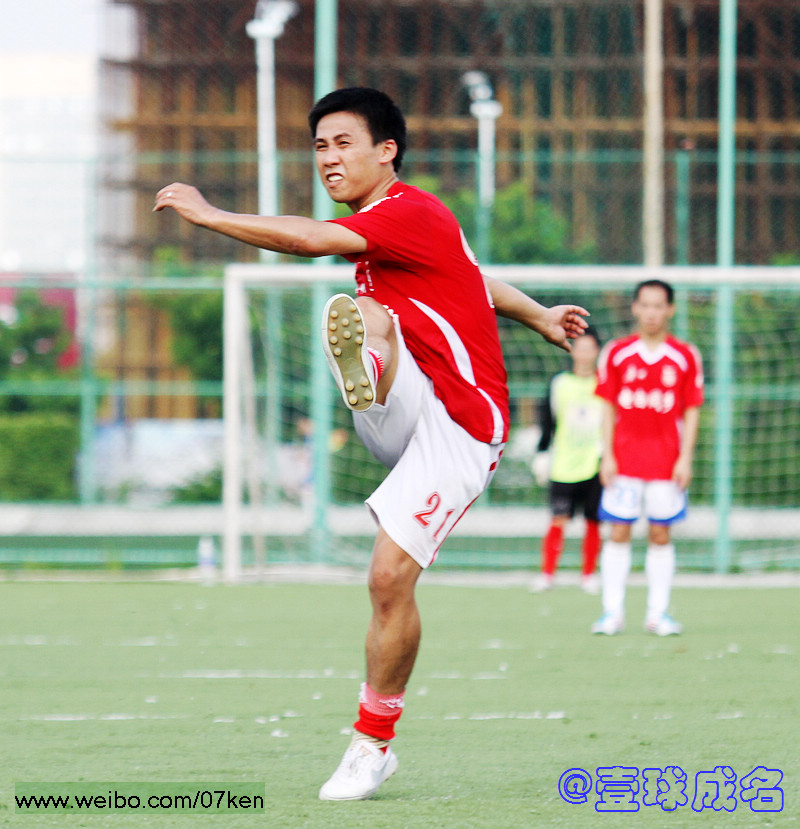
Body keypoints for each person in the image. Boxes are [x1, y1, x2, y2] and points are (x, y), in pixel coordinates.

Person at [154, 87, 588, 801]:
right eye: (319, 146)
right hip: (404, 405)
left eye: (343, 143)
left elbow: (308, 239)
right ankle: (369, 370)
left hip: (461, 423)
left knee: (387, 580)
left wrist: (210, 214)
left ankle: (372, 746)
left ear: (387, 151)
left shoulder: (413, 211)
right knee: (366, 306)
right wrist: (539, 313)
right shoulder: (390, 239)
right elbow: (474, 278)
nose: (328, 158)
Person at [591, 279, 703, 637]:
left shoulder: (685, 355)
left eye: (658, 306)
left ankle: (658, 614)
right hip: (624, 460)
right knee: (618, 531)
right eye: (645, 305)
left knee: (660, 533)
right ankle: (612, 613)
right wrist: (607, 455)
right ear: (635, 308)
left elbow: (692, 410)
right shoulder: (617, 352)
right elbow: (607, 406)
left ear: (670, 310)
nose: (651, 313)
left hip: (666, 462)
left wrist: (685, 458)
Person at [530, 327, 603, 594]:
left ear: (597, 351)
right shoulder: (559, 384)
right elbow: (548, 422)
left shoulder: (605, 383)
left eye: (589, 348)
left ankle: (588, 575)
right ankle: (547, 574)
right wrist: (542, 453)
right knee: (558, 519)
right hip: (563, 464)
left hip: (596, 463)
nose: (584, 354)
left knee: (593, 521)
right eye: (580, 348)